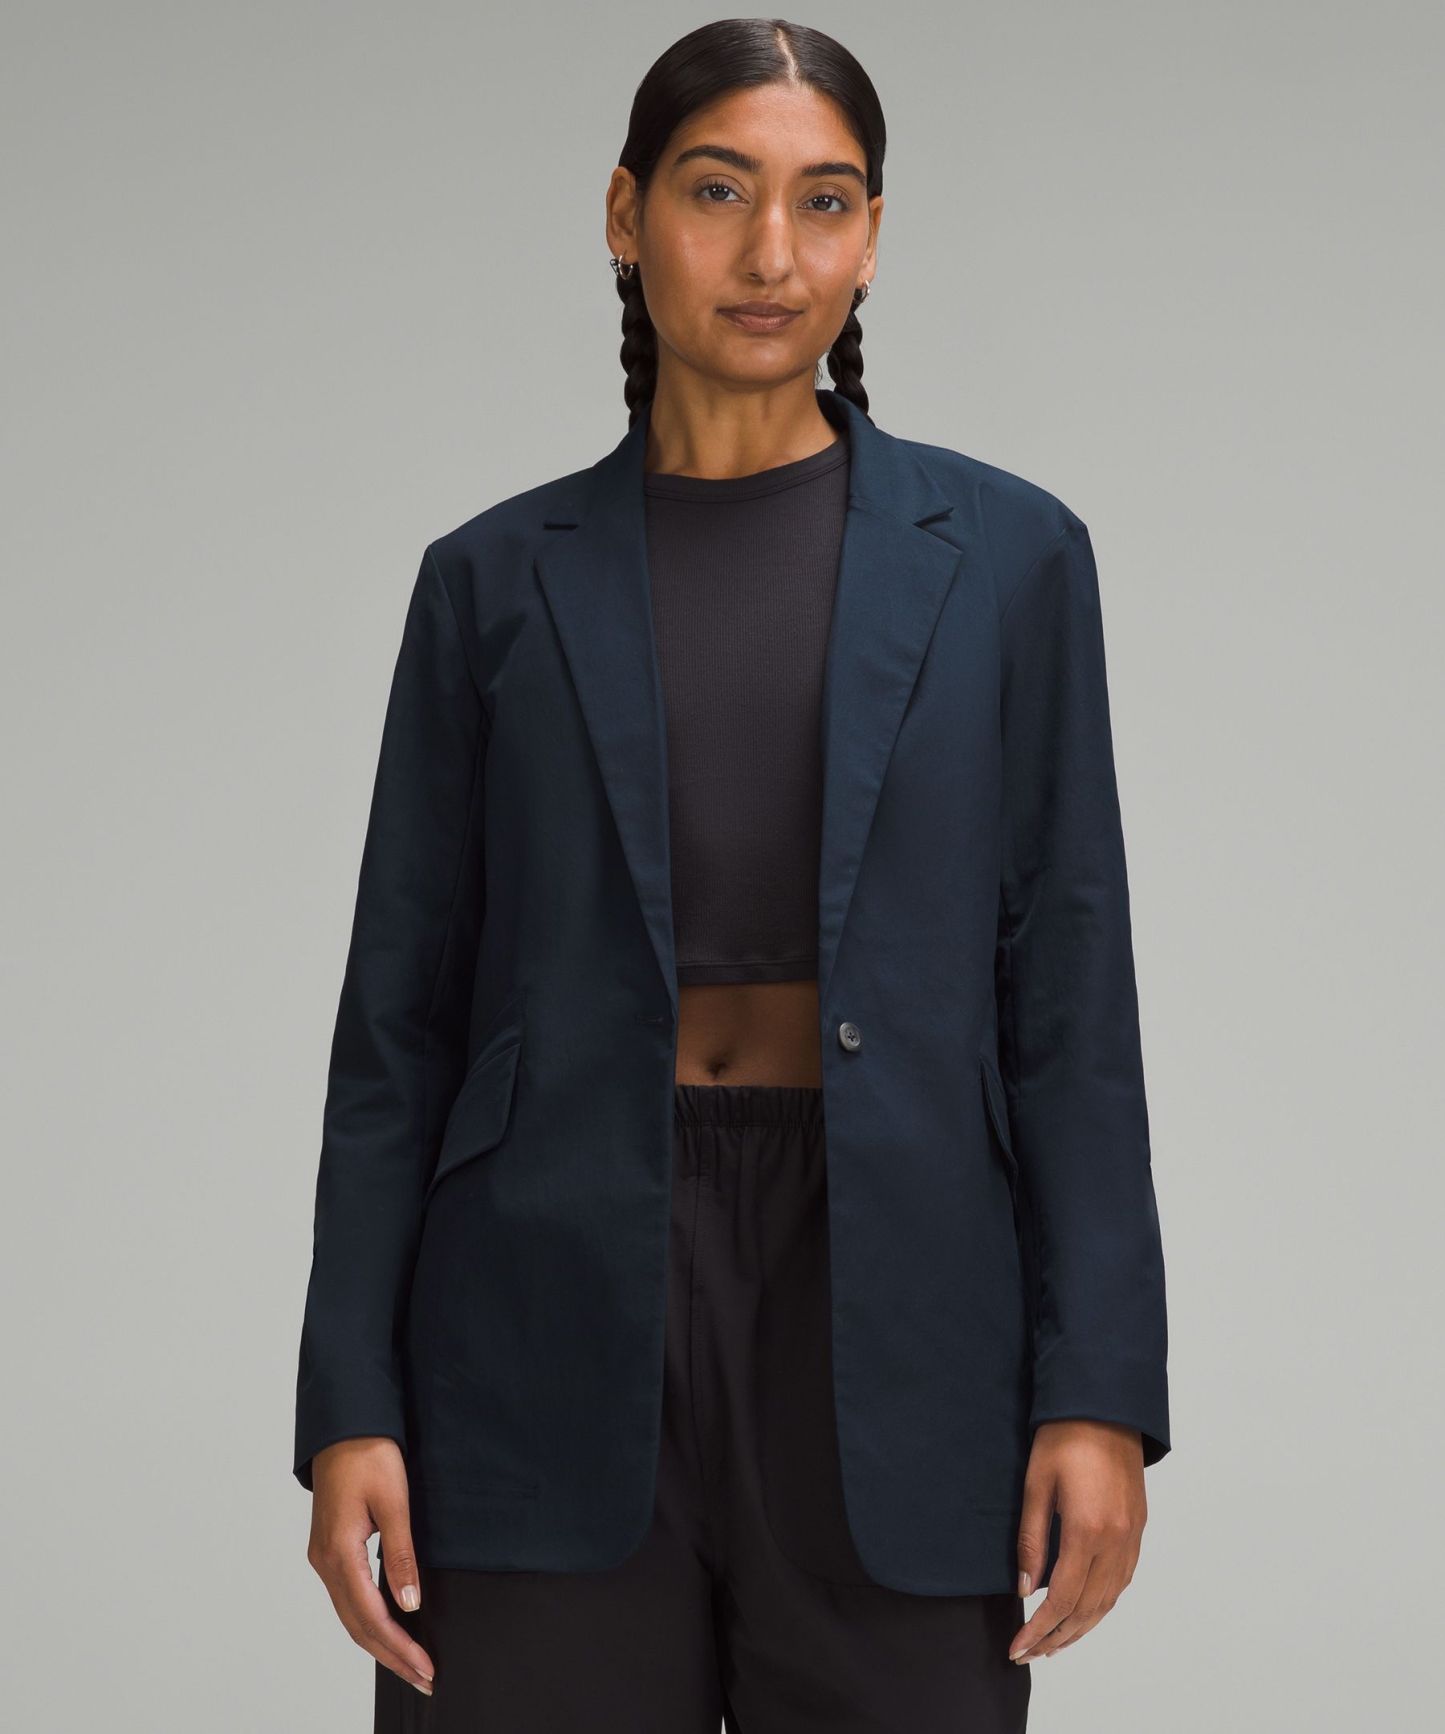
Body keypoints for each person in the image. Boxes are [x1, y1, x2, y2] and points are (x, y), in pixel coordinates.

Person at [293, 19, 1170, 1731]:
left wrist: (1099, 1389)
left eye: (822, 200)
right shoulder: (491, 581)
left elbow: (1071, 1005)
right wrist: (349, 1400)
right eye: (717, 193)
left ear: (871, 233)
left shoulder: (1009, 560)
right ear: (625, 216)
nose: (773, 252)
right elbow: (394, 1029)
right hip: (538, 1309)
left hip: (902, 1310)